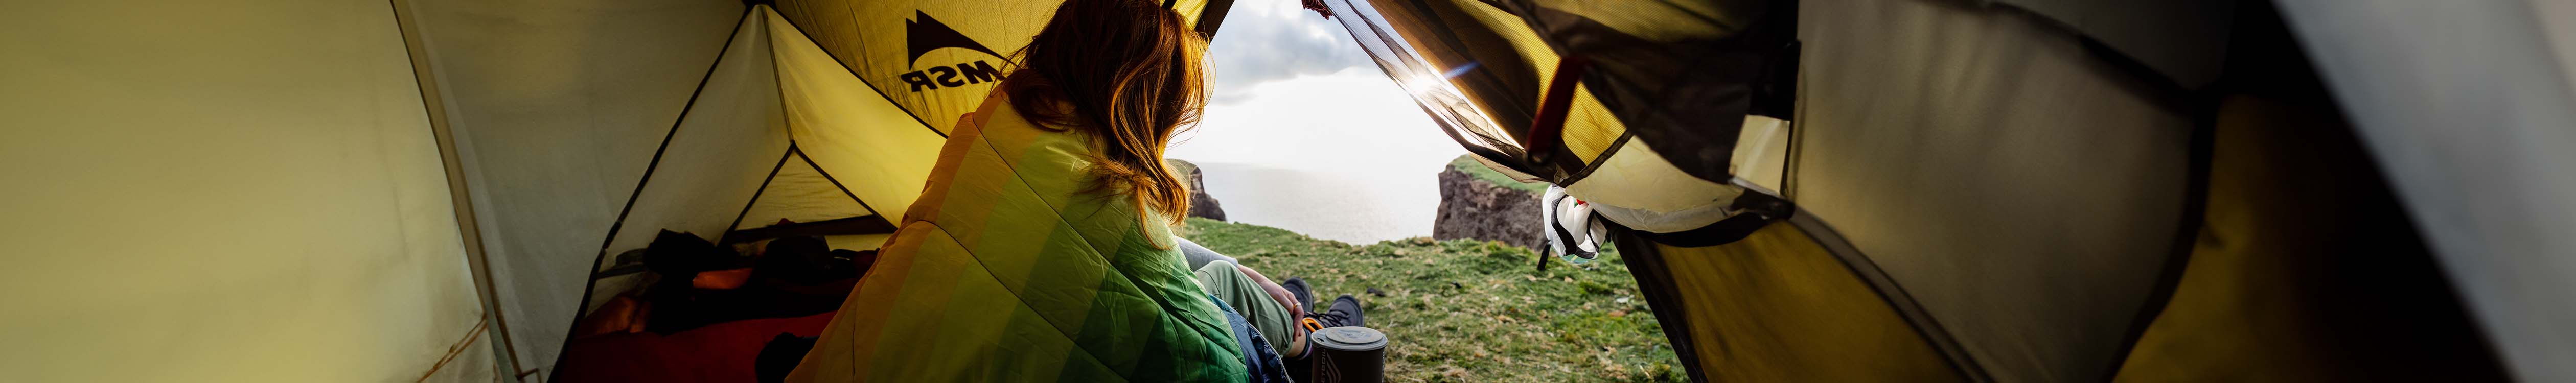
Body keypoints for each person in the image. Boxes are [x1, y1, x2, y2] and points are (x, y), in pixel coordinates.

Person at [778, 1, 1353, 381]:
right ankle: (1311, 343)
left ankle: (1301, 315)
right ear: (1139, 96)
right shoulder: (1103, 190)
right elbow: (1206, 363)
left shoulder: (996, 133)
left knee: (1219, 270)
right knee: (1227, 286)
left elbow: (1112, 255)